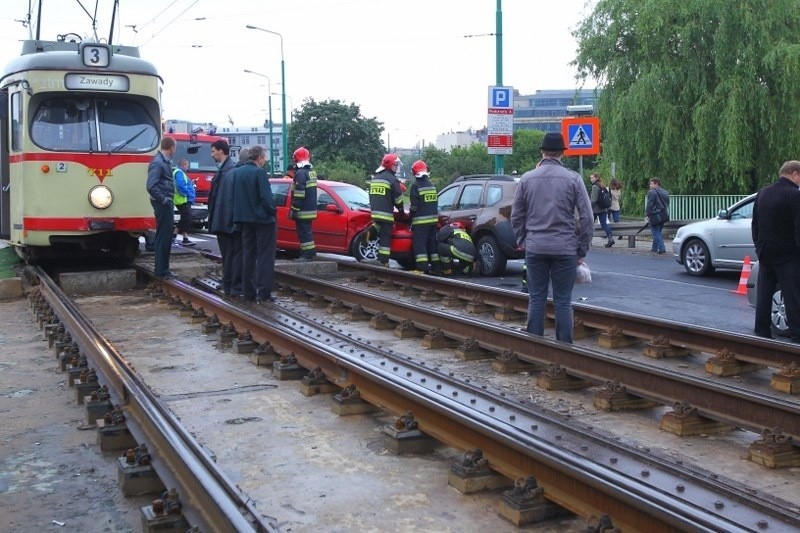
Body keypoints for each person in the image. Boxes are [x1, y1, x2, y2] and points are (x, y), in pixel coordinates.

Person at [510, 132, 593, 344]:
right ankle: (564, 347)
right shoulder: (573, 179)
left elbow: (516, 216)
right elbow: (587, 217)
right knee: (563, 300)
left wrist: (524, 242)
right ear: (562, 154)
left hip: (536, 247)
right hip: (565, 248)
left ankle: (534, 347)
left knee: (536, 298)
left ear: (542, 152)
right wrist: (581, 250)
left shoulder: (527, 179)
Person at [752, 160, 800, 342]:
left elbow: (755, 225)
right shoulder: (794, 195)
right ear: (794, 173)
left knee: (764, 295)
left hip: (765, 253)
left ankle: (762, 331)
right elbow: (798, 228)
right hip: (788, 255)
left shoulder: (763, 193)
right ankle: (797, 335)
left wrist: (759, 247)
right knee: (793, 295)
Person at [232, 145, 277, 303]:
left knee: (248, 255)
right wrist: (273, 211)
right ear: (259, 158)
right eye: (264, 158)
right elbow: (266, 197)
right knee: (265, 255)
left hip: (244, 219)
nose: (264, 161)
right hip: (262, 220)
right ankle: (264, 292)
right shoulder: (259, 172)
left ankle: (248, 292)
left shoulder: (237, 173)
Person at [208, 139, 242, 297]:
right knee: (228, 253)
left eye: (213, 151)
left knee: (229, 253)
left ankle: (230, 283)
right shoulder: (225, 169)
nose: (212, 154)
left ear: (221, 151)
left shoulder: (228, 171)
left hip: (225, 221)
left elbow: (225, 199)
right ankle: (228, 282)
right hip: (222, 219)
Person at [146, 136, 177, 279]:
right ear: (171, 148)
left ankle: (163, 269)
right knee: (164, 236)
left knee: (164, 236)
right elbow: (151, 186)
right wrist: (164, 200)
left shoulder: (161, 161)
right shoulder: (159, 163)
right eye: (174, 148)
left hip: (164, 202)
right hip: (162, 203)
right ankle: (162, 270)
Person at [367, 154, 405, 265]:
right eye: (395, 165)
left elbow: (371, 196)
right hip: (386, 214)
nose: (397, 167)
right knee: (385, 237)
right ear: (390, 165)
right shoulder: (393, 180)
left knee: (379, 225)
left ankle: (371, 230)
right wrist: (401, 212)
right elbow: (398, 199)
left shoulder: (375, 178)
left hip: (375, 212)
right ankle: (383, 262)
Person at [409, 160, 439, 274]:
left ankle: (422, 267)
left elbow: (414, 207)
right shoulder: (432, 185)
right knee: (432, 245)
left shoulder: (416, 186)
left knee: (420, 244)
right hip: (433, 221)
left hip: (420, 222)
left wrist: (409, 217)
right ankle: (436, 267)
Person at [289, 147, 318, 262]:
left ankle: (307, 255)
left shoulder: (300, 173)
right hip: (310, 209)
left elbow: (299, 193)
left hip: (302, 210)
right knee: (307, 232)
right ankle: (308, 253)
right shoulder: (311, 172)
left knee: (304, 233)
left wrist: (294, 209)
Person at [172, 158, 196, 247]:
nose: (187, 167)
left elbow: (182, 184)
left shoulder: (178, 172)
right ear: (184, 165)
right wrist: (188, 193)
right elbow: (180, 185)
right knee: (186, 218)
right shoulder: (179, 172)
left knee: (186, 218)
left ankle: (185, 238)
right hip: (183, 200)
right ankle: (173, 235)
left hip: (182, 199)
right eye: (187, 165)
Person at [645, 177, 670, 255]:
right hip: (663, 215)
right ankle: (654, 248)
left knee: (655, 232)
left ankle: (661, 248)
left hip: (655, 215)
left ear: (656, 183)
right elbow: (667, 204)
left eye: (651, 184)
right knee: (658, 231)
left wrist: (648, 214)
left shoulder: (652, 192)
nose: (650, 185)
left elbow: (650, 204)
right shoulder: (665, 192)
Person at [590, 173, 614, 247]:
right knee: (604, 224)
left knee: (590, 225)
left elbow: (594, 199)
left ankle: (588, 241)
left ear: (596, 178)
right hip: (603, 208)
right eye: (590, 178)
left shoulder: (594, 186)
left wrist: (589, 207)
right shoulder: (602, 185)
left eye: (592, 178)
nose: (591, 179)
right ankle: (611, 239)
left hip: (595, 209)